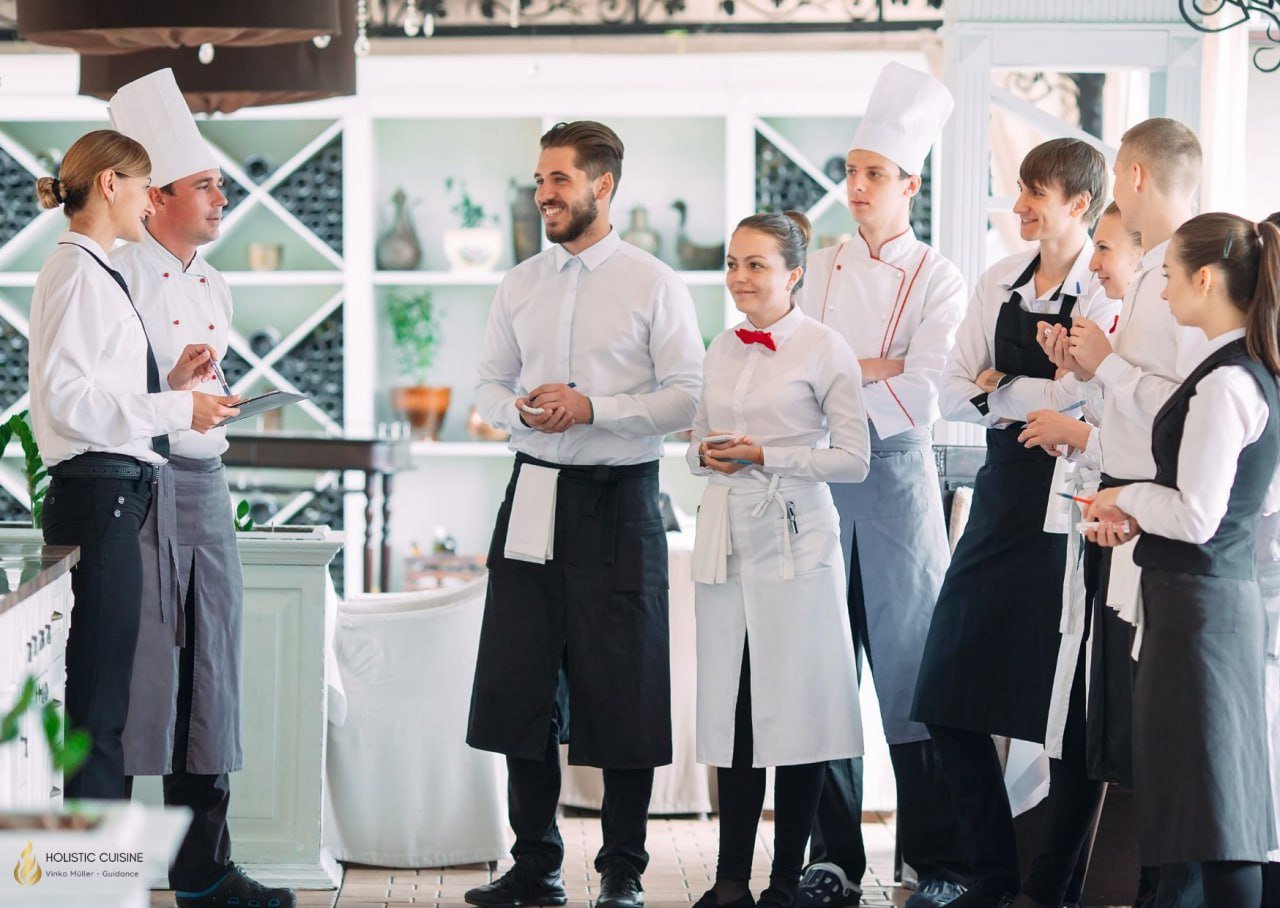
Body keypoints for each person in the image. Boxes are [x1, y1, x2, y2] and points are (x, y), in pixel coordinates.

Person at [465, 120, 704, 908]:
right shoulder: (519, 283)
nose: (544, 194)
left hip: (621, 499)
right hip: (533, 488)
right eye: (540, 180)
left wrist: (593, 406)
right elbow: (487, 385)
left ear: (603, 186)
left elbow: (688, 397)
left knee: (625, 685)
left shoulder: (653, 283)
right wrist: (517, 411)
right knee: (520, 681)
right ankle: (535, 866)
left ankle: (622, 872)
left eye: (559, 179)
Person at [911, 137, 1118, 908]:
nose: (1021, 205)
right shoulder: (999, 278)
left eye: (1036, 192)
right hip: (1000, 500)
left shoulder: (1104, 289)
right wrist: (1038, 389)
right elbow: (949, 388)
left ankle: (1047, 890)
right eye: (1021, 189)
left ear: (1079, 204)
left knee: (1064, 717)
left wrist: (1004, 387)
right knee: (945, 696)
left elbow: (1091, 399)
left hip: (1071, 509)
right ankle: (992, 877)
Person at [104, 69, 293, 908]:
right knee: (137, 678)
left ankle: (205, 871)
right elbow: (105, 397)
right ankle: (103, 875)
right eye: (206, 185)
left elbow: (194, 389)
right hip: (141, 485)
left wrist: (217, 400)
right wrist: (177, 392)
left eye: (221, 183)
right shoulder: (116, 275)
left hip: (207, 483)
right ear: (156, 199)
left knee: (210, 672)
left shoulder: (216, 283)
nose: (223, 197)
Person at [793, 62, 969, 908]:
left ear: (910, 185)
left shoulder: (940, 277)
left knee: (911, 677)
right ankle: (833, 859)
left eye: (874, 174)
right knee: (826, 670)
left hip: (898, 486)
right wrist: (874, 367)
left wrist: (842, 382)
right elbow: (795, 369)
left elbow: (929, 389)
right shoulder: (817, 266)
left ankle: (934, 861)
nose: (857, 187)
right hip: (822, 487)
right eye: (851, 171)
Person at [28, 129, 238, 802]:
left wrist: (172, 387)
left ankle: (99, 861)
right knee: (98, 714)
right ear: (110, 184)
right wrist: (177, 409)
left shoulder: (92, 270)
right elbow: (68, 404)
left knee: (105, 709)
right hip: (100, 497)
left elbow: (99, 392)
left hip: (112, 495)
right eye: (146, 187)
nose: (151, 202)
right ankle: (93, 864)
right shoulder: (79, 272)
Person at [1026, 118, 1204, 908]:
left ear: (1133, 175)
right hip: (1123, 516)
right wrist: (1089, 373)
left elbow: (1192, 412)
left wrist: (1110, 372)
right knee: (1124, 727)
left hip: (1161, 527)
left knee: (1158, 740)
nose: (1099, 260)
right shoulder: (1158, 275)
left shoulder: (1185, 276)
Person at [1085, 212, 1280, 908]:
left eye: (1167, 276)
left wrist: (1123, 495)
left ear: (1205, 279)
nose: (1162, 292)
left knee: (1216, 822)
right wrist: (1137, 517)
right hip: (1204, 607)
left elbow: (1199, 516)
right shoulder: (1242, 372)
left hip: (1200, 617)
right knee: (1203, 817)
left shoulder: (1225, 384)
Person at [687, 210, 868, 908]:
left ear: (794, 273)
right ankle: (730, 879)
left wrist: (768, 454)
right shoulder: (720, 346)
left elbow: (853, 459)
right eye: (733, 264)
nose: (739, 278)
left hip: (798, 540)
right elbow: (696, 441)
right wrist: (705, 456)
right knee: (733, 707)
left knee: (798, 711)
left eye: (755, 264)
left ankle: (785, 881)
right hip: (729, 539)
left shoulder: (825, 349)